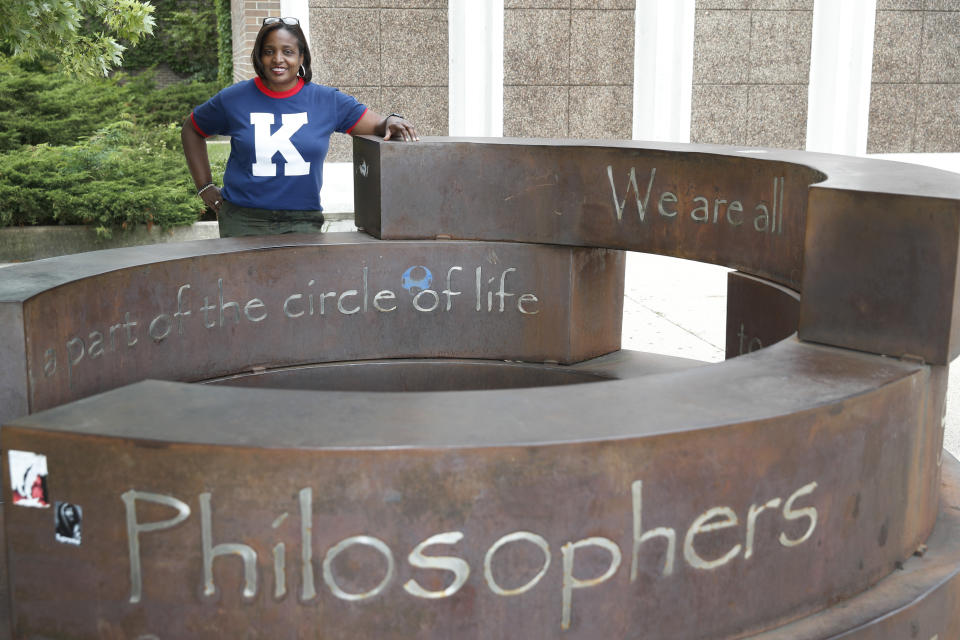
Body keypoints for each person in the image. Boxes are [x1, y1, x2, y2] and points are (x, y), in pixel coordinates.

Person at [182, 16, 419, 237]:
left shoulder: (327, 101)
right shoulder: (234, 99)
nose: (278, 59)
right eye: (268, 52)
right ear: (258, 56)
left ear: (301, 57)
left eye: (288, 52)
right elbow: (192, 129)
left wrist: (391, 120)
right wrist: (205, 186)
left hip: (302, 220)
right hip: (242, 219)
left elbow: (377, 124)